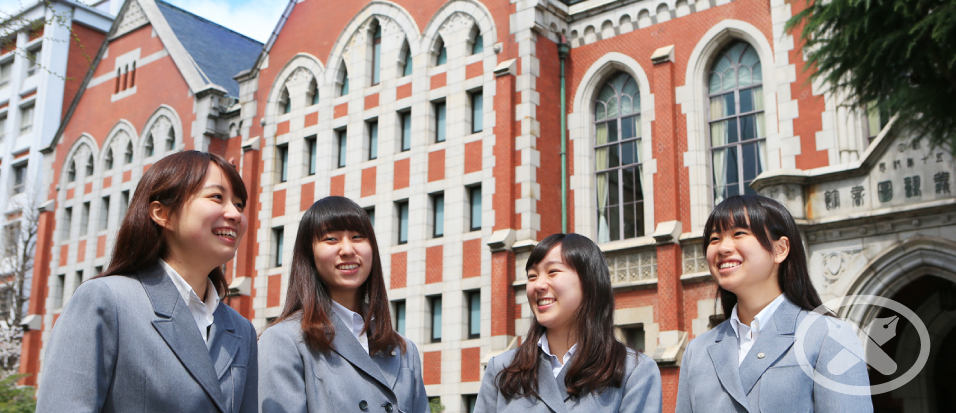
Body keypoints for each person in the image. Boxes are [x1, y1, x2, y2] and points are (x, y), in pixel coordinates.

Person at [36, 151, 257, 412]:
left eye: (240, 204)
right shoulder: (106, 301)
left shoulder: (242, 330)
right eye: (217, 197)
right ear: (162, 214)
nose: (235, 214)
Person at [676, 195, 873, 412]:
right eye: (714, 239)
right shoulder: (698, 350)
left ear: (780, 249)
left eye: (739, 233)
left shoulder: (827, 336)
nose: (723, 248)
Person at [258, 196, 429, 413]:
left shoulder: (403, 350)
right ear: (309, 254)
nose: (348, 249)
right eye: (331, 239)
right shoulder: (283, 341)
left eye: (357, 237)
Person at [475, 233, 662, 413]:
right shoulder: (502, 369)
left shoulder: (633, 371)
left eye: (552, 272)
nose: (538, 285)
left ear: (589, 282)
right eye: (532, 276)